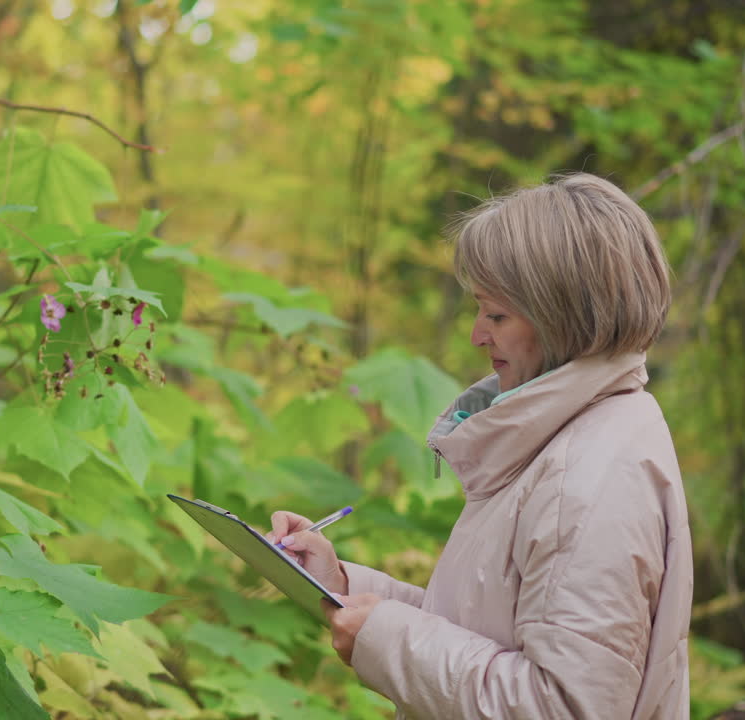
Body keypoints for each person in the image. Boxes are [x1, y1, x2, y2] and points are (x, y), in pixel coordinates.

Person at [266, 173, 693, 719]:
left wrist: (387, 641)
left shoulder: (589, 478)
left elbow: (563, 708)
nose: (476, 334)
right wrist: (345, 586)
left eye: (496, 314)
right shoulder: (567, 436)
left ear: (560, 319)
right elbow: (484, 631)